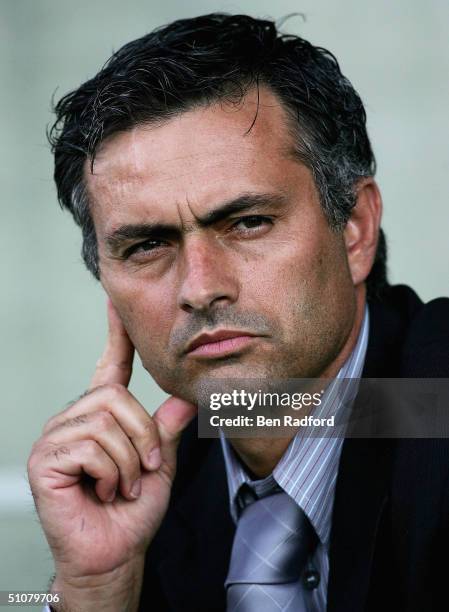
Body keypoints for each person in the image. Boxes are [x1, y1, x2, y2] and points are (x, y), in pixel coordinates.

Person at [28, 13, 449, 612]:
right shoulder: (148, 487)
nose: (200, 288)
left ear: (355, 230)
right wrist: (92, 591)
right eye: (147, 245)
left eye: (248, 222)